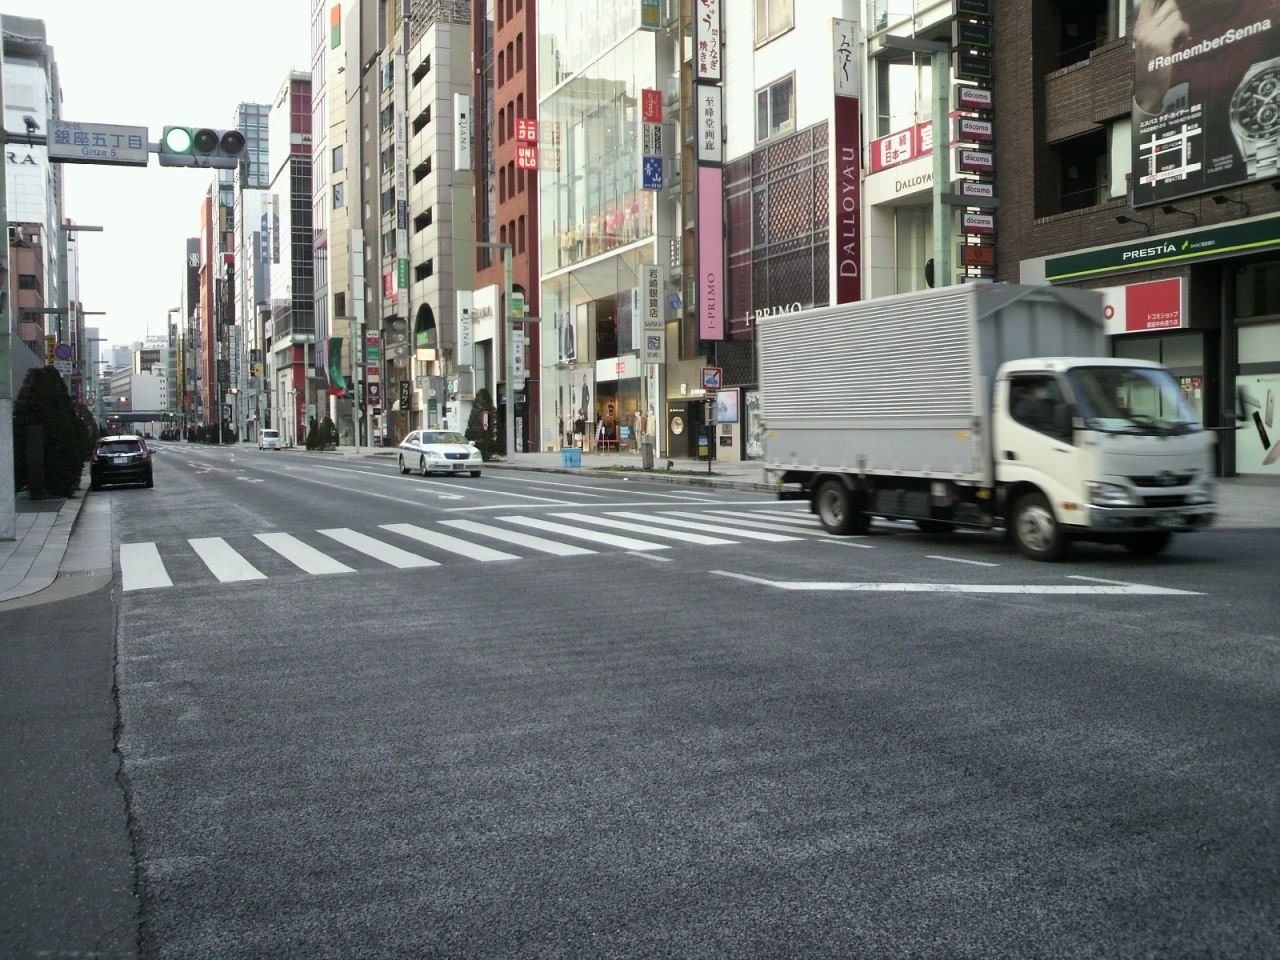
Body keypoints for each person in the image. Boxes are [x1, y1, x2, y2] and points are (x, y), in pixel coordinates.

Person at [1132, 0, 1280, 199]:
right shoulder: (1149, 49)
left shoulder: (1271, 19)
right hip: (1190, 197)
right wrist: (1148, 100)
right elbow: (1147, 184)